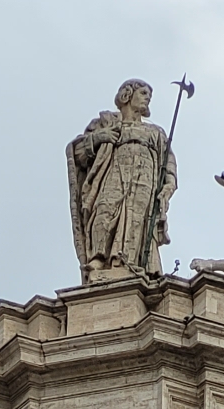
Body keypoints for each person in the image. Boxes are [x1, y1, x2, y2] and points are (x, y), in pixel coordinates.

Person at [69, 81, 176, 281]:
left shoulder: (156, 133)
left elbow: (169, 165)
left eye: (149, 96)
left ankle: (126, 263)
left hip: (144, 181)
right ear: (127, 95)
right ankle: (99, 258)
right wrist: (99, 137)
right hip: (113, 174)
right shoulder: (105, 124)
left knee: (137, 219)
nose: (147, 98)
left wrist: (167, 188)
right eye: (143, 93)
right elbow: (78, 154)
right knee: (104, 209)